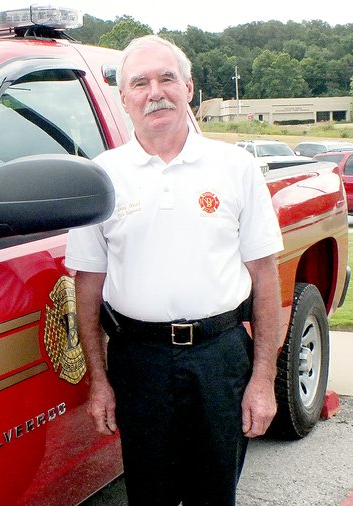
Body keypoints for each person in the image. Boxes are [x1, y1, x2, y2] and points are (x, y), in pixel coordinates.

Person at [65, 35, 283, 505]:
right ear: (123, 98)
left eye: (166, 78)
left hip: (219, 357)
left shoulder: (236, 168)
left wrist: (263, 379)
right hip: (138, 360)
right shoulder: (100, 178)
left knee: (215, 493)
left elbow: (265, 277)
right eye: (139, 83)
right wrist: (99, 383)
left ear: (188, 86)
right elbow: (88, 286)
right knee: (149, 494)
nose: (154, 92)